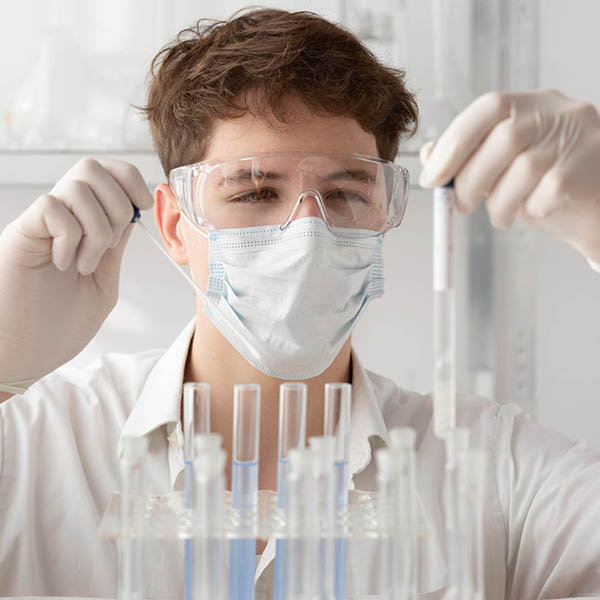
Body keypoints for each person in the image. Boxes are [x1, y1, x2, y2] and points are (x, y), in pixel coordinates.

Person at [1, 8, 600, 599]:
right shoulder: (41, 446)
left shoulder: (492, 469)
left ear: (385, 216)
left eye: (344, 193)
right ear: (176, 225)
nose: (307, 234)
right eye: (256, 191)